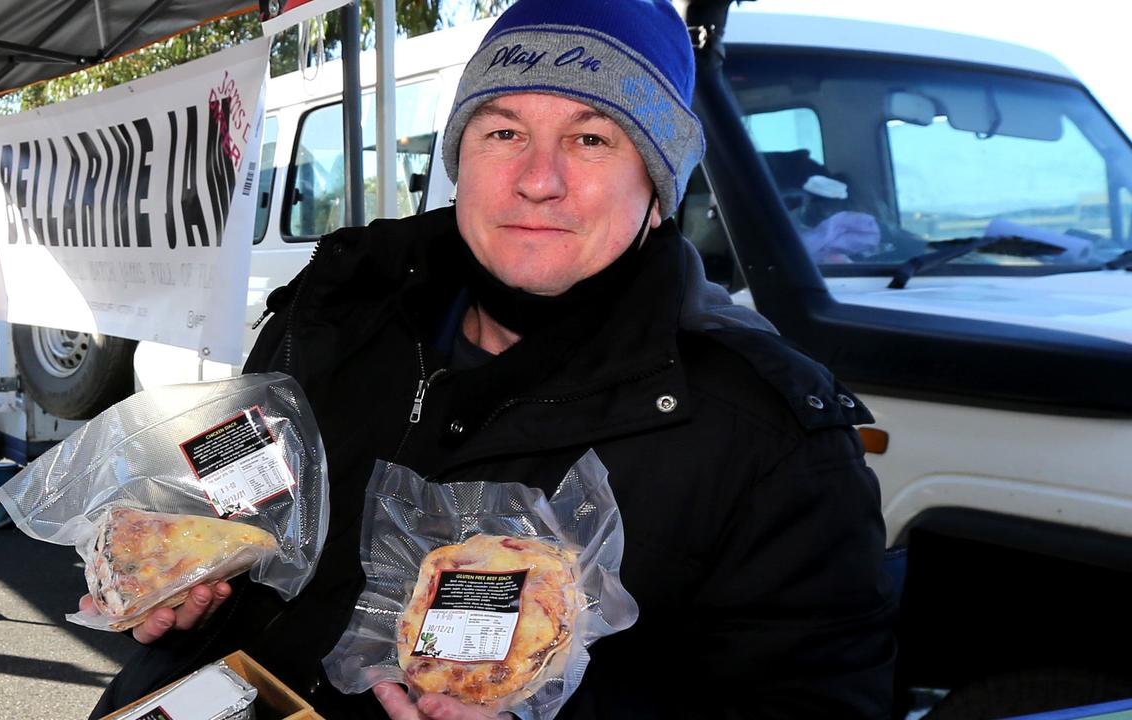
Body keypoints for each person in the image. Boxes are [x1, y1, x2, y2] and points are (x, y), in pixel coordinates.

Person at [89, 0, 895, 717]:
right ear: (460, 158)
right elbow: (235, 510)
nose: (537, 179)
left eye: (590, 138)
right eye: (503, 131)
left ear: (659, 190)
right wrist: (182, 586)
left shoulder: (772, 435)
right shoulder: (331, 314)